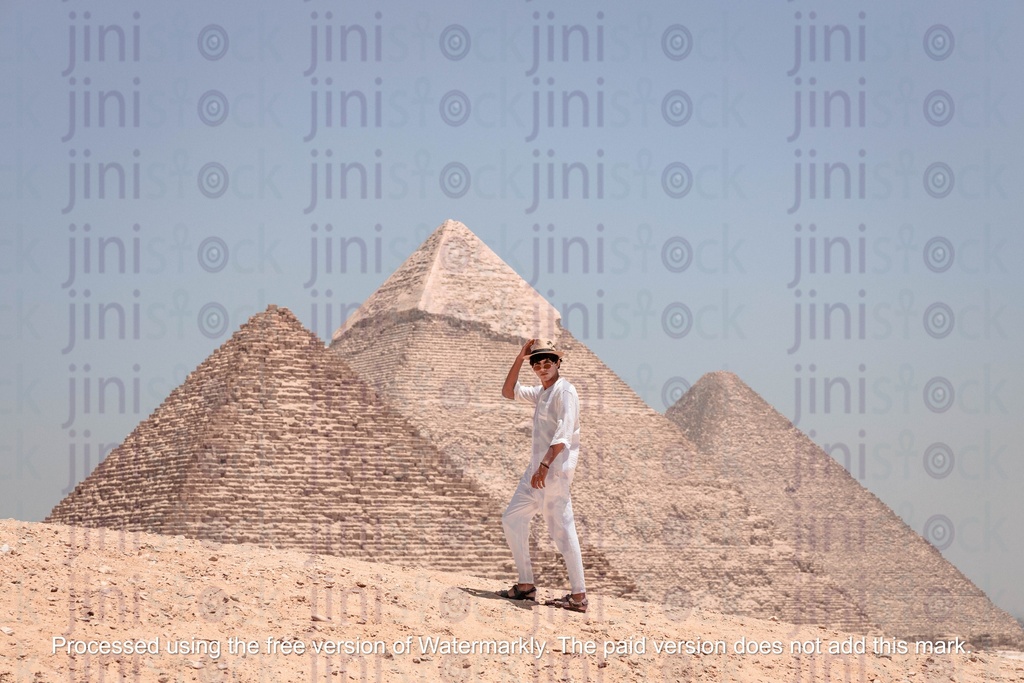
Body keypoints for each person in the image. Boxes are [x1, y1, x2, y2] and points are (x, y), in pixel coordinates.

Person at [497, 338, 587, 613]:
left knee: (562, 529)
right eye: (537, 362)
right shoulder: (542, 392)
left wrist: (545, 466)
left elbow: (564, 432)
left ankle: (579, 597)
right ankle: (525, 585)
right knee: (512, 518)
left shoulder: (565, 392)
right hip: (535, 471)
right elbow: (508, 392)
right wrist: (519, 358)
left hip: (552, 471)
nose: (542, 366)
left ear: (559, 362)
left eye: (548, 361)